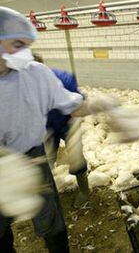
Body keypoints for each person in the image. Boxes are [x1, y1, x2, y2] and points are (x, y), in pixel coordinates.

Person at [0, 6, 122, 252]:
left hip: (32, 154)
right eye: (17, 44)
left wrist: (100, 104)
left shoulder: (35, 73)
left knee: (50, 218)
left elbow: (73, 106)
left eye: (26, 45)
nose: (25, 52)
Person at [33, 53, 89, 207]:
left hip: (68, 121)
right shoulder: (25, 86)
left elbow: (79, 101)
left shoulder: (62, 78)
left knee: (76, 158)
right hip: (47, 125)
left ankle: (84, 191)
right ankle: (48, 195)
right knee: (45, 160)